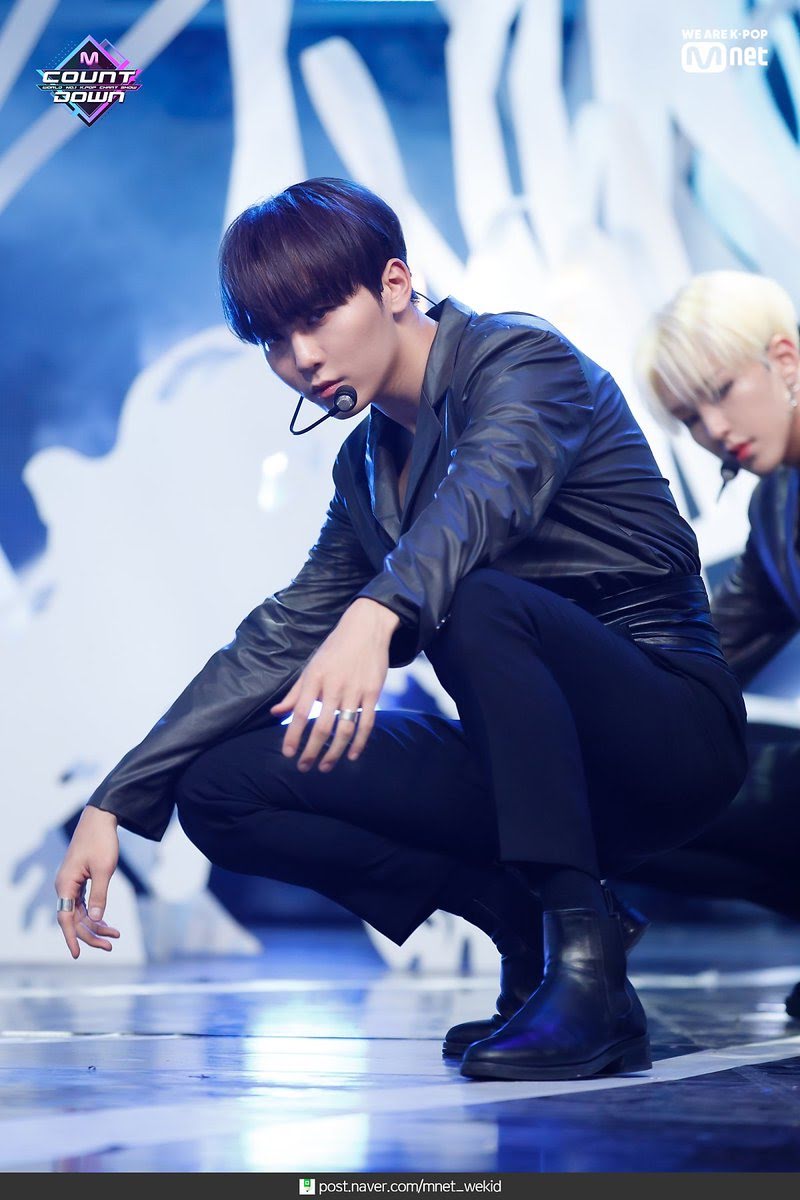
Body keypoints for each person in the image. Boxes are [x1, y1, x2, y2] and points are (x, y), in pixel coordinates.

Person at [53, 178, 747, 1082]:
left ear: (392, 284)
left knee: (475, 595)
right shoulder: (366, 469)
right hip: (530, 765)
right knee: (222, 788)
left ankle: (592, 982)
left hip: (667, 732)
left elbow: (481, 500)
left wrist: (378, 611)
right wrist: (115, 799)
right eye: (273, 340)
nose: (301, 357)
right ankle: (526, 928)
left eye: (316, 318)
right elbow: (277, 637)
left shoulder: (523, 362)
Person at [625, 270, 800, 1017]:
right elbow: (712, 654)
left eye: (722, 391)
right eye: (690, 416)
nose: (714, 429)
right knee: (633, 788)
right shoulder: (778, 507)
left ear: (783, 360)